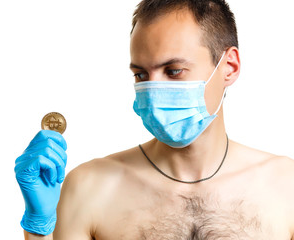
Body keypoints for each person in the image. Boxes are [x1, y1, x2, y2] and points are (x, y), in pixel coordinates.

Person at [15, 0, 294, 239]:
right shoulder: (91, 188)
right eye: (141, 75)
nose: (153, 90)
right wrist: (38, 229)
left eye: (173, 71)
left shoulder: (285, 186)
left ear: (229, 67)